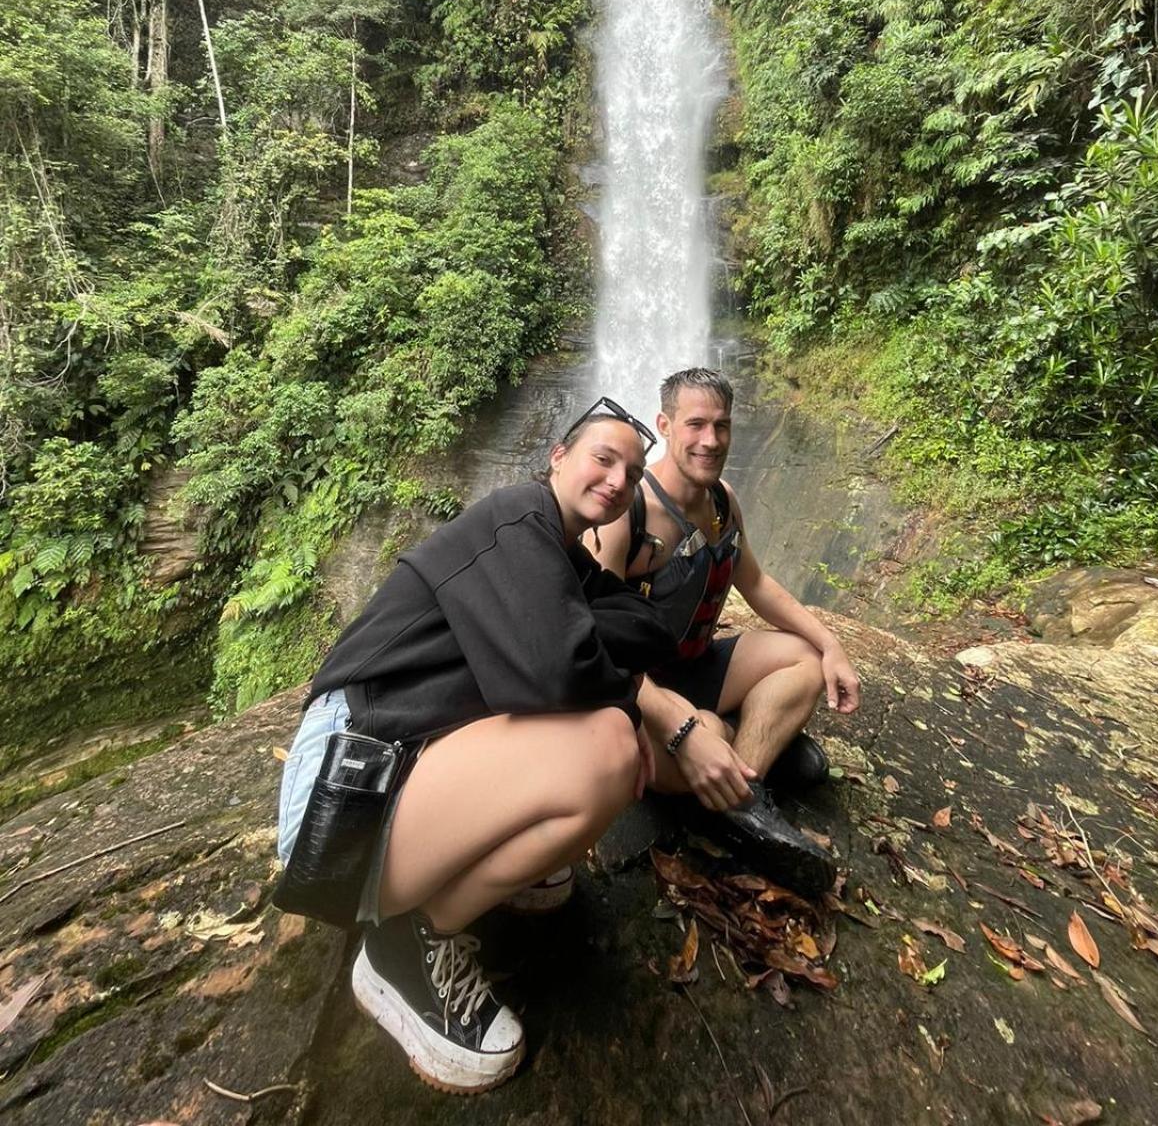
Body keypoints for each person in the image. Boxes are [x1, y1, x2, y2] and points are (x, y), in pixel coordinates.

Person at [276, 398, 675, 1095]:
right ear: (558, 456)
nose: (617, 479)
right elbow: (555, 672)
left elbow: (643, 628)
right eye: (602, 458)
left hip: (396, 764)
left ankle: (450, 887)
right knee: (609, 745)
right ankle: (405, 945)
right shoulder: (517, 519)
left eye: (634, 471)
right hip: (344, 788)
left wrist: (591, 642)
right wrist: (616, 692)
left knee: (600, 726)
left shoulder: (559, 556)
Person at [594, 368, 861, 895]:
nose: (710, 440)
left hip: (695, 665)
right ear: (664, 426)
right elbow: (594, 645)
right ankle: (742, 768)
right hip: (636, 692)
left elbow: (756, 582)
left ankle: (743, 794)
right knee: (708, 731)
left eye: (722, 426)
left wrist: (832, 645)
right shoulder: (628, 511)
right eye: (696, 424)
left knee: (803, 660)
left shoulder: (722, 501)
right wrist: (683, 728)